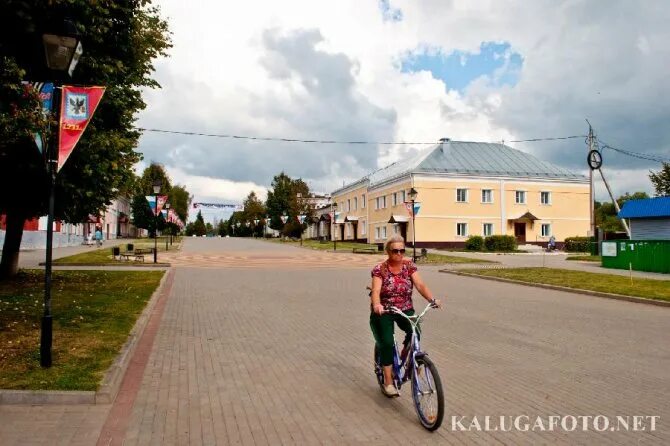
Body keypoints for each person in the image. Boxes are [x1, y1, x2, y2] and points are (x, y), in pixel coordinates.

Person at [369, 234, 442, 397]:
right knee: (387, 342)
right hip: (385, 310)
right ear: (388, 251)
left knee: (416, 331)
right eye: (395, 251)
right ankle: (388, 382)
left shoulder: (409, 266)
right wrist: (377, 305)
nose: (399, 254)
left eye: (402, 250)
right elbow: (376, 291)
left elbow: (420, 284)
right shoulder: (379, 269)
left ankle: (411, 359)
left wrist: (432, 299)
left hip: (405, 309)